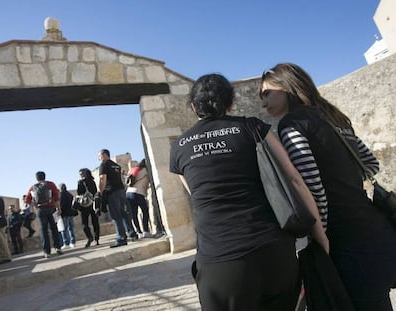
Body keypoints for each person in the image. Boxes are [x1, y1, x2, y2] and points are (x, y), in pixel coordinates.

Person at [169, 73, 327, 311]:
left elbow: (194, 193)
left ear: (193, 106)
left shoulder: (179, 148)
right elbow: (294, 179)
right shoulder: (254, 127)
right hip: (274, 252)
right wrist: (320, 234)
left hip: (220, 262)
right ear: (230, 104)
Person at [259, 62, 396, 310]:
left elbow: (313, 189)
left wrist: (320, 238)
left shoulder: (293, 125)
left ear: (287, 87)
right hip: (375, 227)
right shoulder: (335, 117)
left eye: (267, 93)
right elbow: (371, 165)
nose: (263, 101)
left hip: (346, 240)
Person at [98, 149, 135, 248]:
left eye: (99, 156)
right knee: (123, 213)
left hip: (112, 192)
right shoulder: (116, 165)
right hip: (121, 191)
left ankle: (121, 238)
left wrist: (100, 193)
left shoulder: (104, 165)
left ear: (104, 155)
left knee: (116, 215)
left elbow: (102, 179)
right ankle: (132, 233)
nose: (99, 158)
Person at [25, 171, 63, 258]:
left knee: (43, 230)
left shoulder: (33, 187)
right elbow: (56, 197)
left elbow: (27, 200)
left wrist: (35, 206)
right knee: (54, 228)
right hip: (51, 209)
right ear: (44, 177)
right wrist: (59, 209)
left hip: (40, 210)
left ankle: (47, 252)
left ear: (36, 178)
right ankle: (58, 247)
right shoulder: (51, 184)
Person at [126, 159, 152, 238]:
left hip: (129, 193)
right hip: (139, 192)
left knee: (134, 213)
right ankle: (146, 231)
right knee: (145, 211)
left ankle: (139, 232)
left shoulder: (133, 169)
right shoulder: (145, 170)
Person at [77, 168, 100, 248]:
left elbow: (79, 193)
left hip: (84, 205)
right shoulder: (92, 181)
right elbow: (95, 192)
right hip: (92, 203)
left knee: (84, 223)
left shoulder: (80, 182)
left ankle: (89, 237)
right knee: (95, 222)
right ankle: (97, 239)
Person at [59, 183, 76, 249]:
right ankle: (73, 242)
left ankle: (66, 242)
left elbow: (61, 205)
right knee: (71, 228)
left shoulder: (60, 195)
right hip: (70, 213)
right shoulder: (69, 195)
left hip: (64, 214)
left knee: (64, 229)